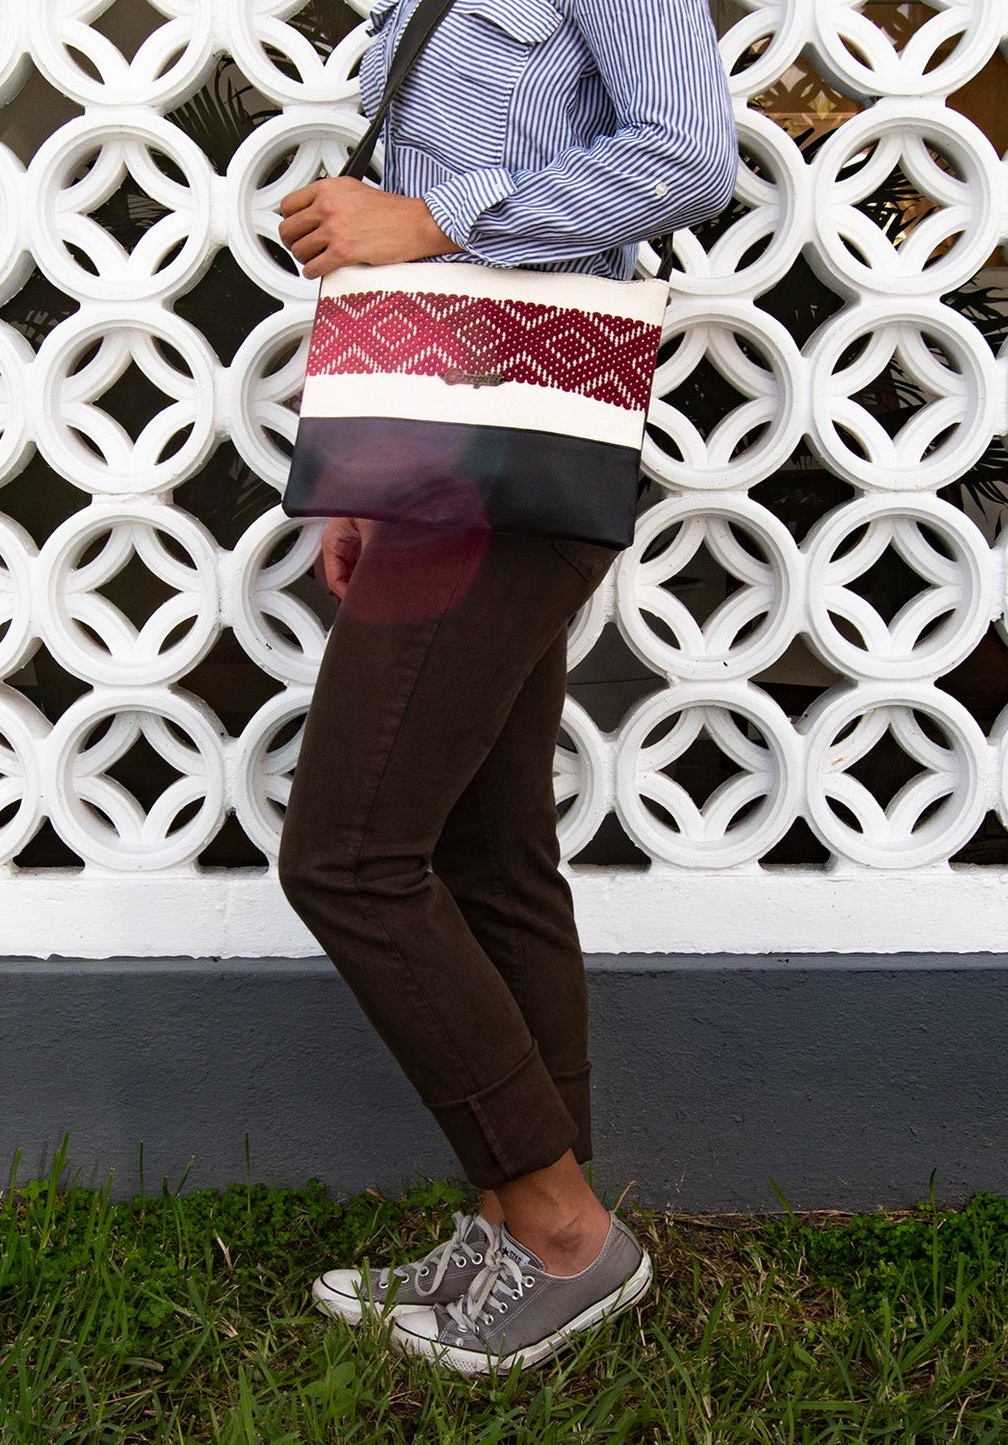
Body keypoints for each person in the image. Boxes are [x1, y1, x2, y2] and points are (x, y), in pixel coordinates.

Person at [275, 0, 736, 1375]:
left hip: (522, 443)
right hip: (434, 440)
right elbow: (412, 248)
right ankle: (512, 1229)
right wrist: (361, 467)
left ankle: (561, 1229)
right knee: (486, 847)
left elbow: (686, 157)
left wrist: (430, 219)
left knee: (351, 855)